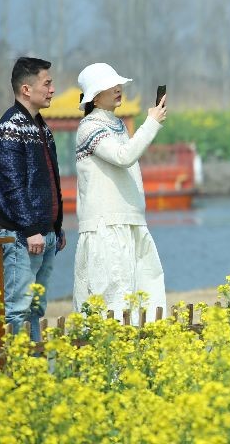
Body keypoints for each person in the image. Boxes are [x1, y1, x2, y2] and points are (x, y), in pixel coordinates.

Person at [72, 63, 168, 322]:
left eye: (118, 84)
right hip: (107, 225)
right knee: (113, 300)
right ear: (95, 95)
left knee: (146, 295)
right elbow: (123, 156)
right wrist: (151, 123)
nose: (118, 89)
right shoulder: (89, 127)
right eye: (109, 86)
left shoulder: (117, 124)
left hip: (130, 221)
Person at [0, 57, 66, 340]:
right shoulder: (10, 127)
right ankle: (13, 374)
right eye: (47, 83)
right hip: (23, 237)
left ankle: (33, 373)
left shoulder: (41, 127)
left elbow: (49, 179)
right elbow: (12, 186)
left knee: (36, 308)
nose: (52, 89)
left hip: (44, 235)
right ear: (26, 89)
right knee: (17, 309)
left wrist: (56, 226)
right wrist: (31, 229)